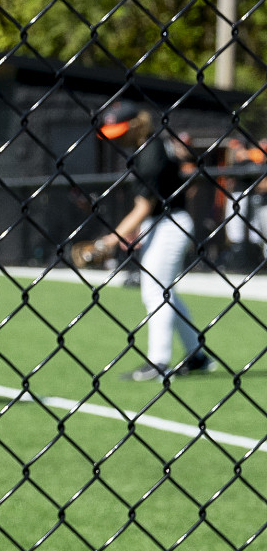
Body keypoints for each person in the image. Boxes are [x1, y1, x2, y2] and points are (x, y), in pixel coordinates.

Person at [86, 101, 210, 379]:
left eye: (120, 131)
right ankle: (196, 355)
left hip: (170, 223)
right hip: (163, 222)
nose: (117, 138)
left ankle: (158, 363)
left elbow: (143, 206)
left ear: (136, 124)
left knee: (155, 292)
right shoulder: (151, 147)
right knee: (166, 293)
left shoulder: (150, 151)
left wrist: (108, 240)